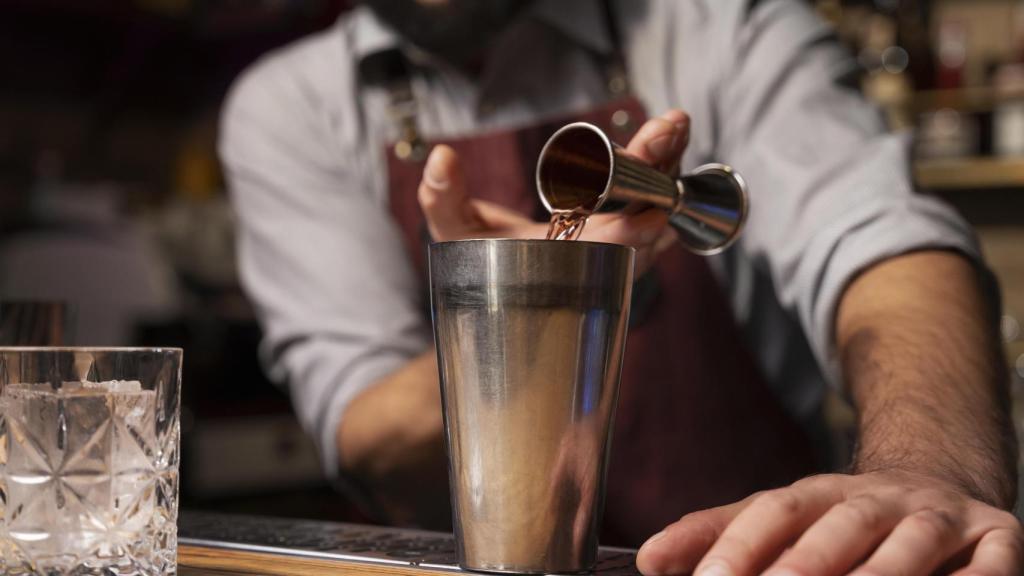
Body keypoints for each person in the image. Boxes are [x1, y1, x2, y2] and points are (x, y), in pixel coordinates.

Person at [220, 0, 1023, 574]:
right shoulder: (288, 107)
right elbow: (368, 434)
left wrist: (928, 472)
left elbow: (891, 252)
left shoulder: (726, 25)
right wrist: (532, 301)